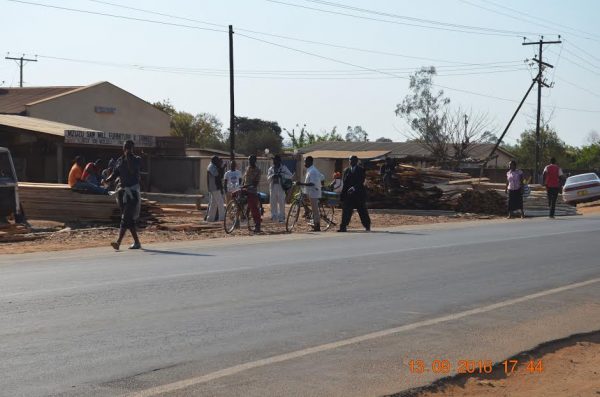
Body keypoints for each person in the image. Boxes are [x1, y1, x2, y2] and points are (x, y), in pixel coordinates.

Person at [106, 140, 142, 250]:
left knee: (125, 218)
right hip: (122, 193)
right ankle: (137, 242)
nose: (126, 149)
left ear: (132, 149)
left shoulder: (136, 160)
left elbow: (132, 171)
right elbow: (116, 173)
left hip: (132, 193)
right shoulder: (120, 160)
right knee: (128, 219)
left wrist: (129, 157)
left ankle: (118, 242)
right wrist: (108, 179)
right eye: (125, 147)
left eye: (128, 147)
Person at [338, 155, 371, 232]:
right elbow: (345, 183)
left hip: (359, 195)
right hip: (349, 195)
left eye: (352, 160)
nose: (350, 161)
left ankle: (367, 226)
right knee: (346, 211)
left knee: (362, 211)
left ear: (356, 161)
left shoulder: (361, 170)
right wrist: (342, 196)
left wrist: (354, 188)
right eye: (349, 160)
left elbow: (361, 181)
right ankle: (343, 227)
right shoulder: (346, 170)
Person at [300, 156, 323, 231]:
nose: (304, 163)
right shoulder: (310, 170)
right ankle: (307, 211)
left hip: (314, 192)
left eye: (305, 161)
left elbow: (312, 183)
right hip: (310, 192)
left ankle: (317, 225)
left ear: (310, 162)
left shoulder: (313, 171)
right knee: (302, 198)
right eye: (304, 161)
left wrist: (301, 183)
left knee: (315, 210)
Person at [267, 154, 293, 222]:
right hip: (273, 187)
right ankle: (274, 216)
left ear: (279, 161)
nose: (274, 161)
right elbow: (268, 179)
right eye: (273, 160)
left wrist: (282, 175)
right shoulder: (271, 168)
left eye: (275, 160)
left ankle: (281, 217)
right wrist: (273, 176)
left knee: (281, 202)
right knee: (273, 202)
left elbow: (290, 176)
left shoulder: (284, 168)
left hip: (281, 187)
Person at [244, 154, 262, 232]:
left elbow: (255, 183)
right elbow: (244, 179)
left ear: (255, 161)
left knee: (254, 208)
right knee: (236, 197)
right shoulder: (247, 168)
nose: (249, 161)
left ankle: (257, 225)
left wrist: (248, 185)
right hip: (245, 189)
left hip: (252, 191)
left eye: (251, 160)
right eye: (249, 160)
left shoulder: (258, 170)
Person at [206, 156, 225, 222]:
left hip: (213, 187)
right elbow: (217, 175)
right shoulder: (212, 167)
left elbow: (220, 176)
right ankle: (222, 218)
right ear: (214, 160)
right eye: (217, 161)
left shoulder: (212, 166)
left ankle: (210, 218)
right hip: (214, 187)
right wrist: (221, 168)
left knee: (213, 204)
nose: (218, 162)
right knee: (220, 203)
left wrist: (221, 168)